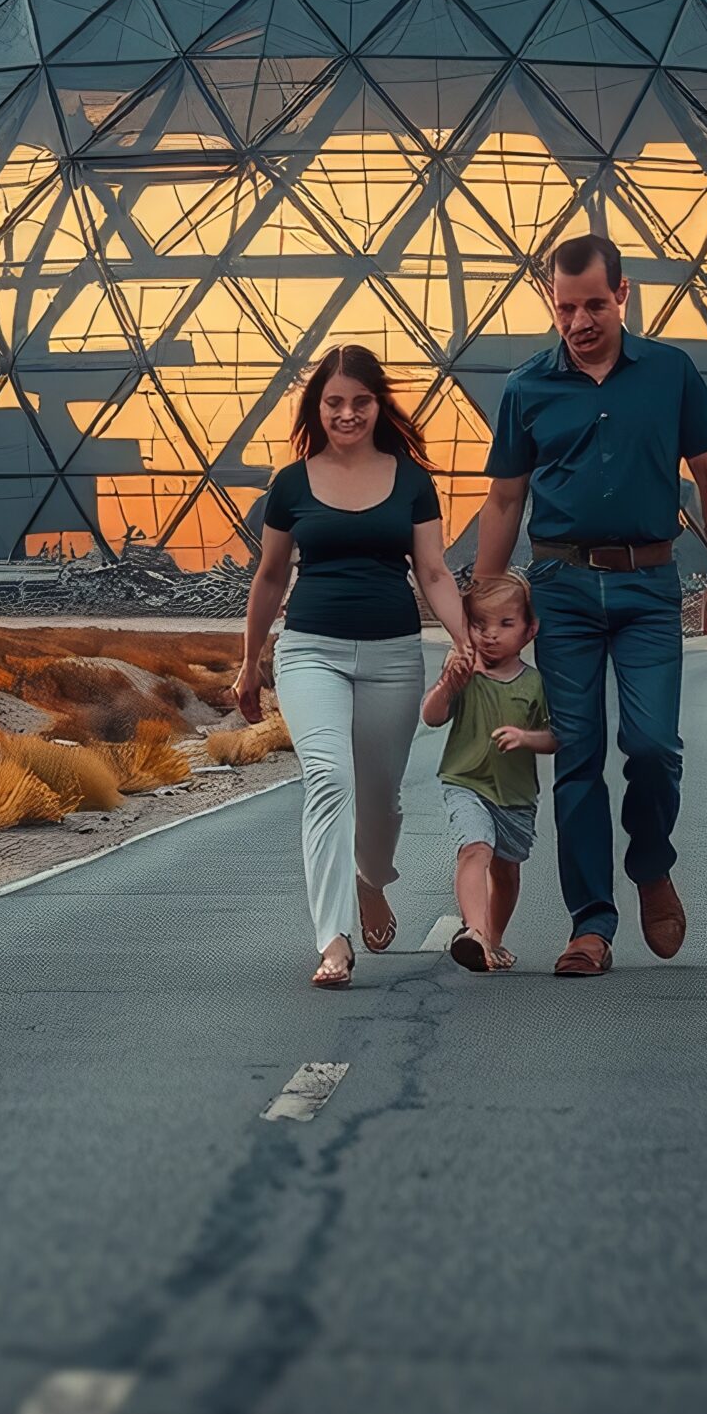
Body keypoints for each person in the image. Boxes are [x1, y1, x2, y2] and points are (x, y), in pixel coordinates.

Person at [470, 234, 707, 979]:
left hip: (648, 587)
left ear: (622, 295)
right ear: (550, 303)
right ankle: (591, 924)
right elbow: (503, 499)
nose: (580, 320)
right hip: (559, 590)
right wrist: (478, 616)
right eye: (565, 307)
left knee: (653, 747)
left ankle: (651, 862)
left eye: (594, 304)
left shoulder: (671, 373)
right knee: (577, 759)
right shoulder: (528, 387)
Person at [238, 345, 474, 987]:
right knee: (328, 779)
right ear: (317, 407)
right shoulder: (289, 484)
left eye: (360, 402)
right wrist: (249, 663)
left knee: (380, 800)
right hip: (310, 649)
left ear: (379, 405)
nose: (347, 414)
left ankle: (370, 879)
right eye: (334, 402)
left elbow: (432, 571)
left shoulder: (412, 481)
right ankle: (334, 940)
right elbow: (268, 577)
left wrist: (463, 637)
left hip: (394, 655)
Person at [423, 569, 553, 974]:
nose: (490, 634)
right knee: (475, 847)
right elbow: (431, 716)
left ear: (530, 630)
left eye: (505, 624)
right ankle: (474, 932)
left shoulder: (535, 684)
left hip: (515, 794)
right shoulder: (464, 673)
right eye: (479, 624)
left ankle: (492, 939)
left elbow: (556, 737)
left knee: (507, 868)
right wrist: (448, 684)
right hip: (466, 782)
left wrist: (526, 738)